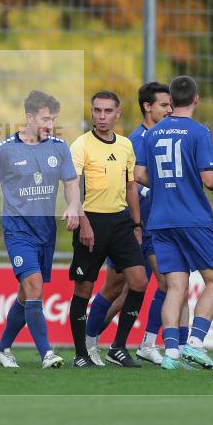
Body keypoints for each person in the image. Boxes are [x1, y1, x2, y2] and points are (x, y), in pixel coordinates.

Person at [84, 82, 190, 365]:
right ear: (147, 106)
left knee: (163, 282)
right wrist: (152, 196)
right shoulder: (137, 139)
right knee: (116, 288)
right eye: (164, 105)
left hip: (155, 226)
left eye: (170, 105)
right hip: (132, 226)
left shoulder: (164, 135)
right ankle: (88, 341)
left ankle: (143, 342)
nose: (169, 110)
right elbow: (129, 182)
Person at [135, 75, 213, 371]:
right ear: (196, 100)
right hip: (193, 218)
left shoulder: (153, 134)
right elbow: (209, 178)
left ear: (171, 101)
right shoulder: (199, 132)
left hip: (161, 220)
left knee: (176, 287)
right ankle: (197, 343)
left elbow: (139, 174)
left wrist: (165, 184)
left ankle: (171, 352)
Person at [0, 91, 80, 369]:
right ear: (28, 117)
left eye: (52, 119)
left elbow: (71, 183)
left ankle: (2, 349)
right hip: (18, 232)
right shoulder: (5, 149)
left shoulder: (59, 147)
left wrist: (74, 204)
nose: (49, 124)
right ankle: (47, 353)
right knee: (35, 287)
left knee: (26, 294)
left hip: (46, 232)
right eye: (44, 119)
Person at [68, 91, 147, 368]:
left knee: (139, 282)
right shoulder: (81, 145)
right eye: (97, 111)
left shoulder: (125, 145)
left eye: (107, 111)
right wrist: (84, 223)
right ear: (92, 112)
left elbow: (130, 188)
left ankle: (119, 347)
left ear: (118, 113)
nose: (102, 116)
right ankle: (80, 354)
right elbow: (72, 189)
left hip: (120, 222)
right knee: (84, 290)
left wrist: (137, 225)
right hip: (90, 221)